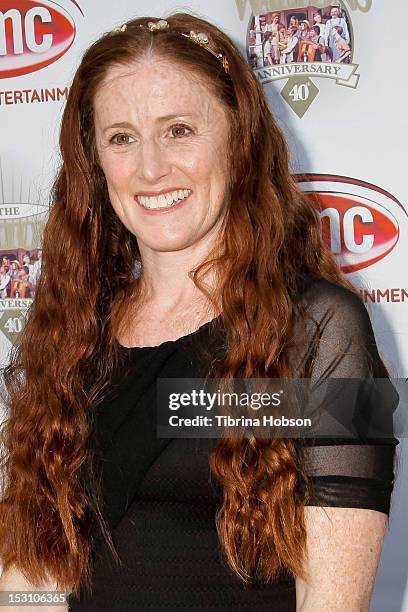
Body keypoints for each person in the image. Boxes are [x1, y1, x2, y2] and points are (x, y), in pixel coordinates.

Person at [0, 12, 398, 612]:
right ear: (94, 161)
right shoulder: (70, 336)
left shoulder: (320, 328)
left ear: (238, 139)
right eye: (121, 137)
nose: (151, 168)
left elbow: (334, 600)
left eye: (179, 129)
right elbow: (35, 578)